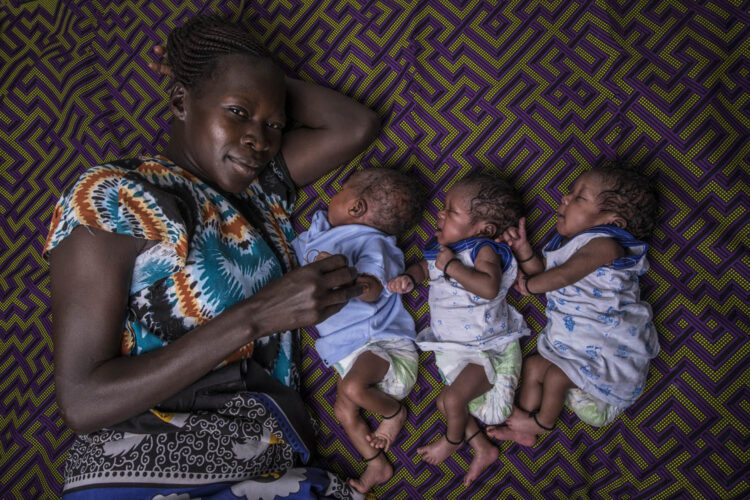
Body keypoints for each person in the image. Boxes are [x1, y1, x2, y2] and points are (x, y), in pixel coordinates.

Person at [44, 15, 380, 499]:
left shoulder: (263, 194)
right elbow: (82, 400)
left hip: (263, 460)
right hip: (145, 469)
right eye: (238, 112)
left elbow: (355, 125)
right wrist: (258, 316)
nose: (259, 140)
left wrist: (254, 77)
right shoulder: (114, 194)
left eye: (275, 125)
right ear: (181, 100)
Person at [487, 162, 660, 446]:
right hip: (577, 350)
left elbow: (563, 276)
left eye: (579, 197)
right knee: (534, 366)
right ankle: (525, 428)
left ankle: (543, 422)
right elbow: (548, 275)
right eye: (570, 193)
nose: (564, 198)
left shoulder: (606, 245)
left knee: (555, 376)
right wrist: (525, 251)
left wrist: (530, 286)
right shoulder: (572, 246)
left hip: (607, 357)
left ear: (613, 222)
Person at [387, 175, 530, 486]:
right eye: (443, 209)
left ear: (484, 229)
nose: (439, 215)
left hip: (485, 349)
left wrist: (452, 266)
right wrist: (411, 277)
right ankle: (482, 447)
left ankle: (453, 441)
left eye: (450, 212)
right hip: (453, 349)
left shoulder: (483, 250)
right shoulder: (439, 251)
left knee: (451, 403)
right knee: (446, 403)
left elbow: (489, 287)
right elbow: (425, 268)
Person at [291, 168, 422, 494]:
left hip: (385, 347)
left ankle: (394, 412)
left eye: (342, 191)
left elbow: (373, 288)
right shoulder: (321, 229)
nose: (332, 196)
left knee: (350, 390)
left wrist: (345, 277)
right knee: (342, 409)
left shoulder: (372, 244)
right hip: (349, 351)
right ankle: (375, 463)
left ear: (356, 208)